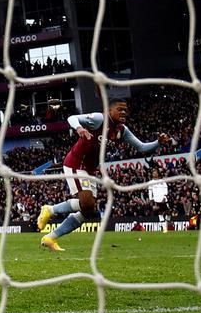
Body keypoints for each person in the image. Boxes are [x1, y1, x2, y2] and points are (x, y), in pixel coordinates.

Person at [35, 98, 169, 252]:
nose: (123, 112)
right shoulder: (99, 119)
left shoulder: (122, 131)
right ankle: (50, 210)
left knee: (89, 211)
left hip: (91, 169)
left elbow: (143, 148)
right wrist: (79, 128)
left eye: (125, 109)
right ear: (109, 110)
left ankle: (50, 237)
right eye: (119, 109)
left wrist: (158, 142)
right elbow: (71, 118)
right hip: (75, 163)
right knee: (87, 204)